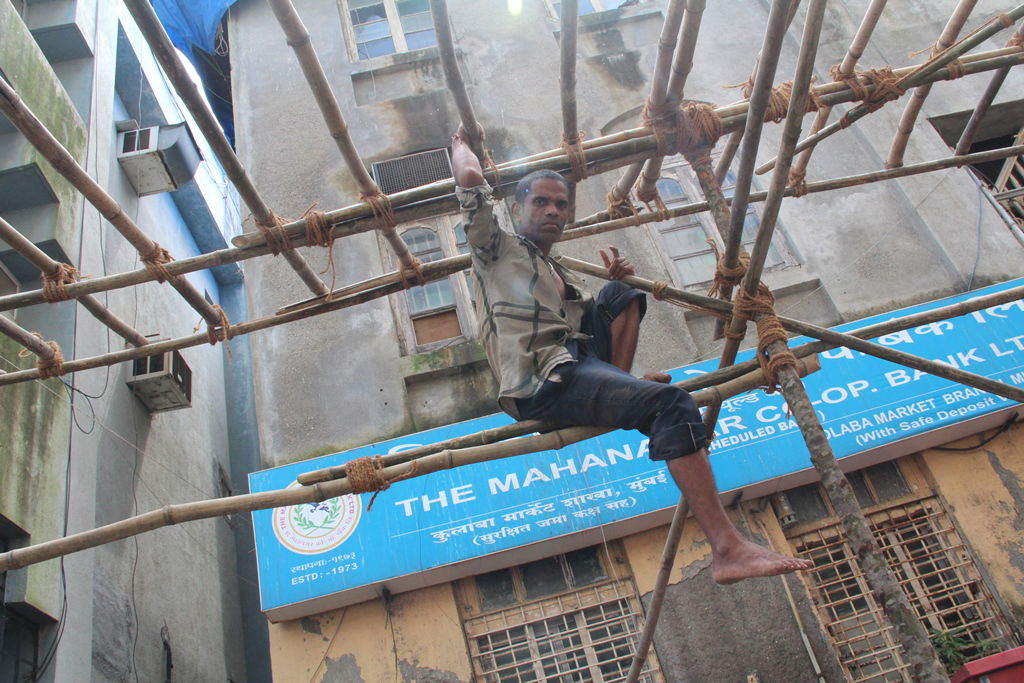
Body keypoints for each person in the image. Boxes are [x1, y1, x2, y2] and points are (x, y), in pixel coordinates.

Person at [451, 125, 813, 584]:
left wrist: (612, 295)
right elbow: (468, 183)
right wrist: (460, 142)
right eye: (540, 201)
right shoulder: (494, 249)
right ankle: (728, 548)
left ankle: (621, 388)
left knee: (622, 292)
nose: (552, 211)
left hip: (578, 366)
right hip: (541, 382)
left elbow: (595, 322)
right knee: (672, 403)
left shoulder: (552, 268)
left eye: (561, 205)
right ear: (517, 207)